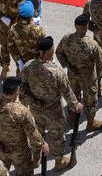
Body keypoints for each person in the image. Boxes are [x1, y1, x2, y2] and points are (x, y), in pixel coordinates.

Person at [20, 36, 82, 172]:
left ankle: (35, 159)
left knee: (37, 135)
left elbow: (23, 87)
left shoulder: (28, 66)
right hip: (53, 111)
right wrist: (75, 105)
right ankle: (59, 161)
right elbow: (67, 92)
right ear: (50, 50)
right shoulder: (56, 72)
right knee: (57, 136)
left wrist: (30, 101)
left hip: (35, 109)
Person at [0, 76, 47, 176]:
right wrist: (42, 145)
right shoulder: (21, 111)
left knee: (0, 173)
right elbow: (32, 133)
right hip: (20, 152)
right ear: (17, 91)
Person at [57, 13, 102, 131]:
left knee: (73, 97)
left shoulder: (66, 39)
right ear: (86, 27)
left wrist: (67, 65)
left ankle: (71, 120)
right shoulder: (91, 44)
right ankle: (91, 123)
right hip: (88, 79)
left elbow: (58, 53)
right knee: (90, 101)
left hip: (72, 75)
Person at [9, 0, 45, 69]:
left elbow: (11, 47)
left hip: (21, 66)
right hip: (36, 66)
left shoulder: (13, 28)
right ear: (31, 15)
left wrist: (19, 61)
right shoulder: (39, 30)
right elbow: (44, 49)